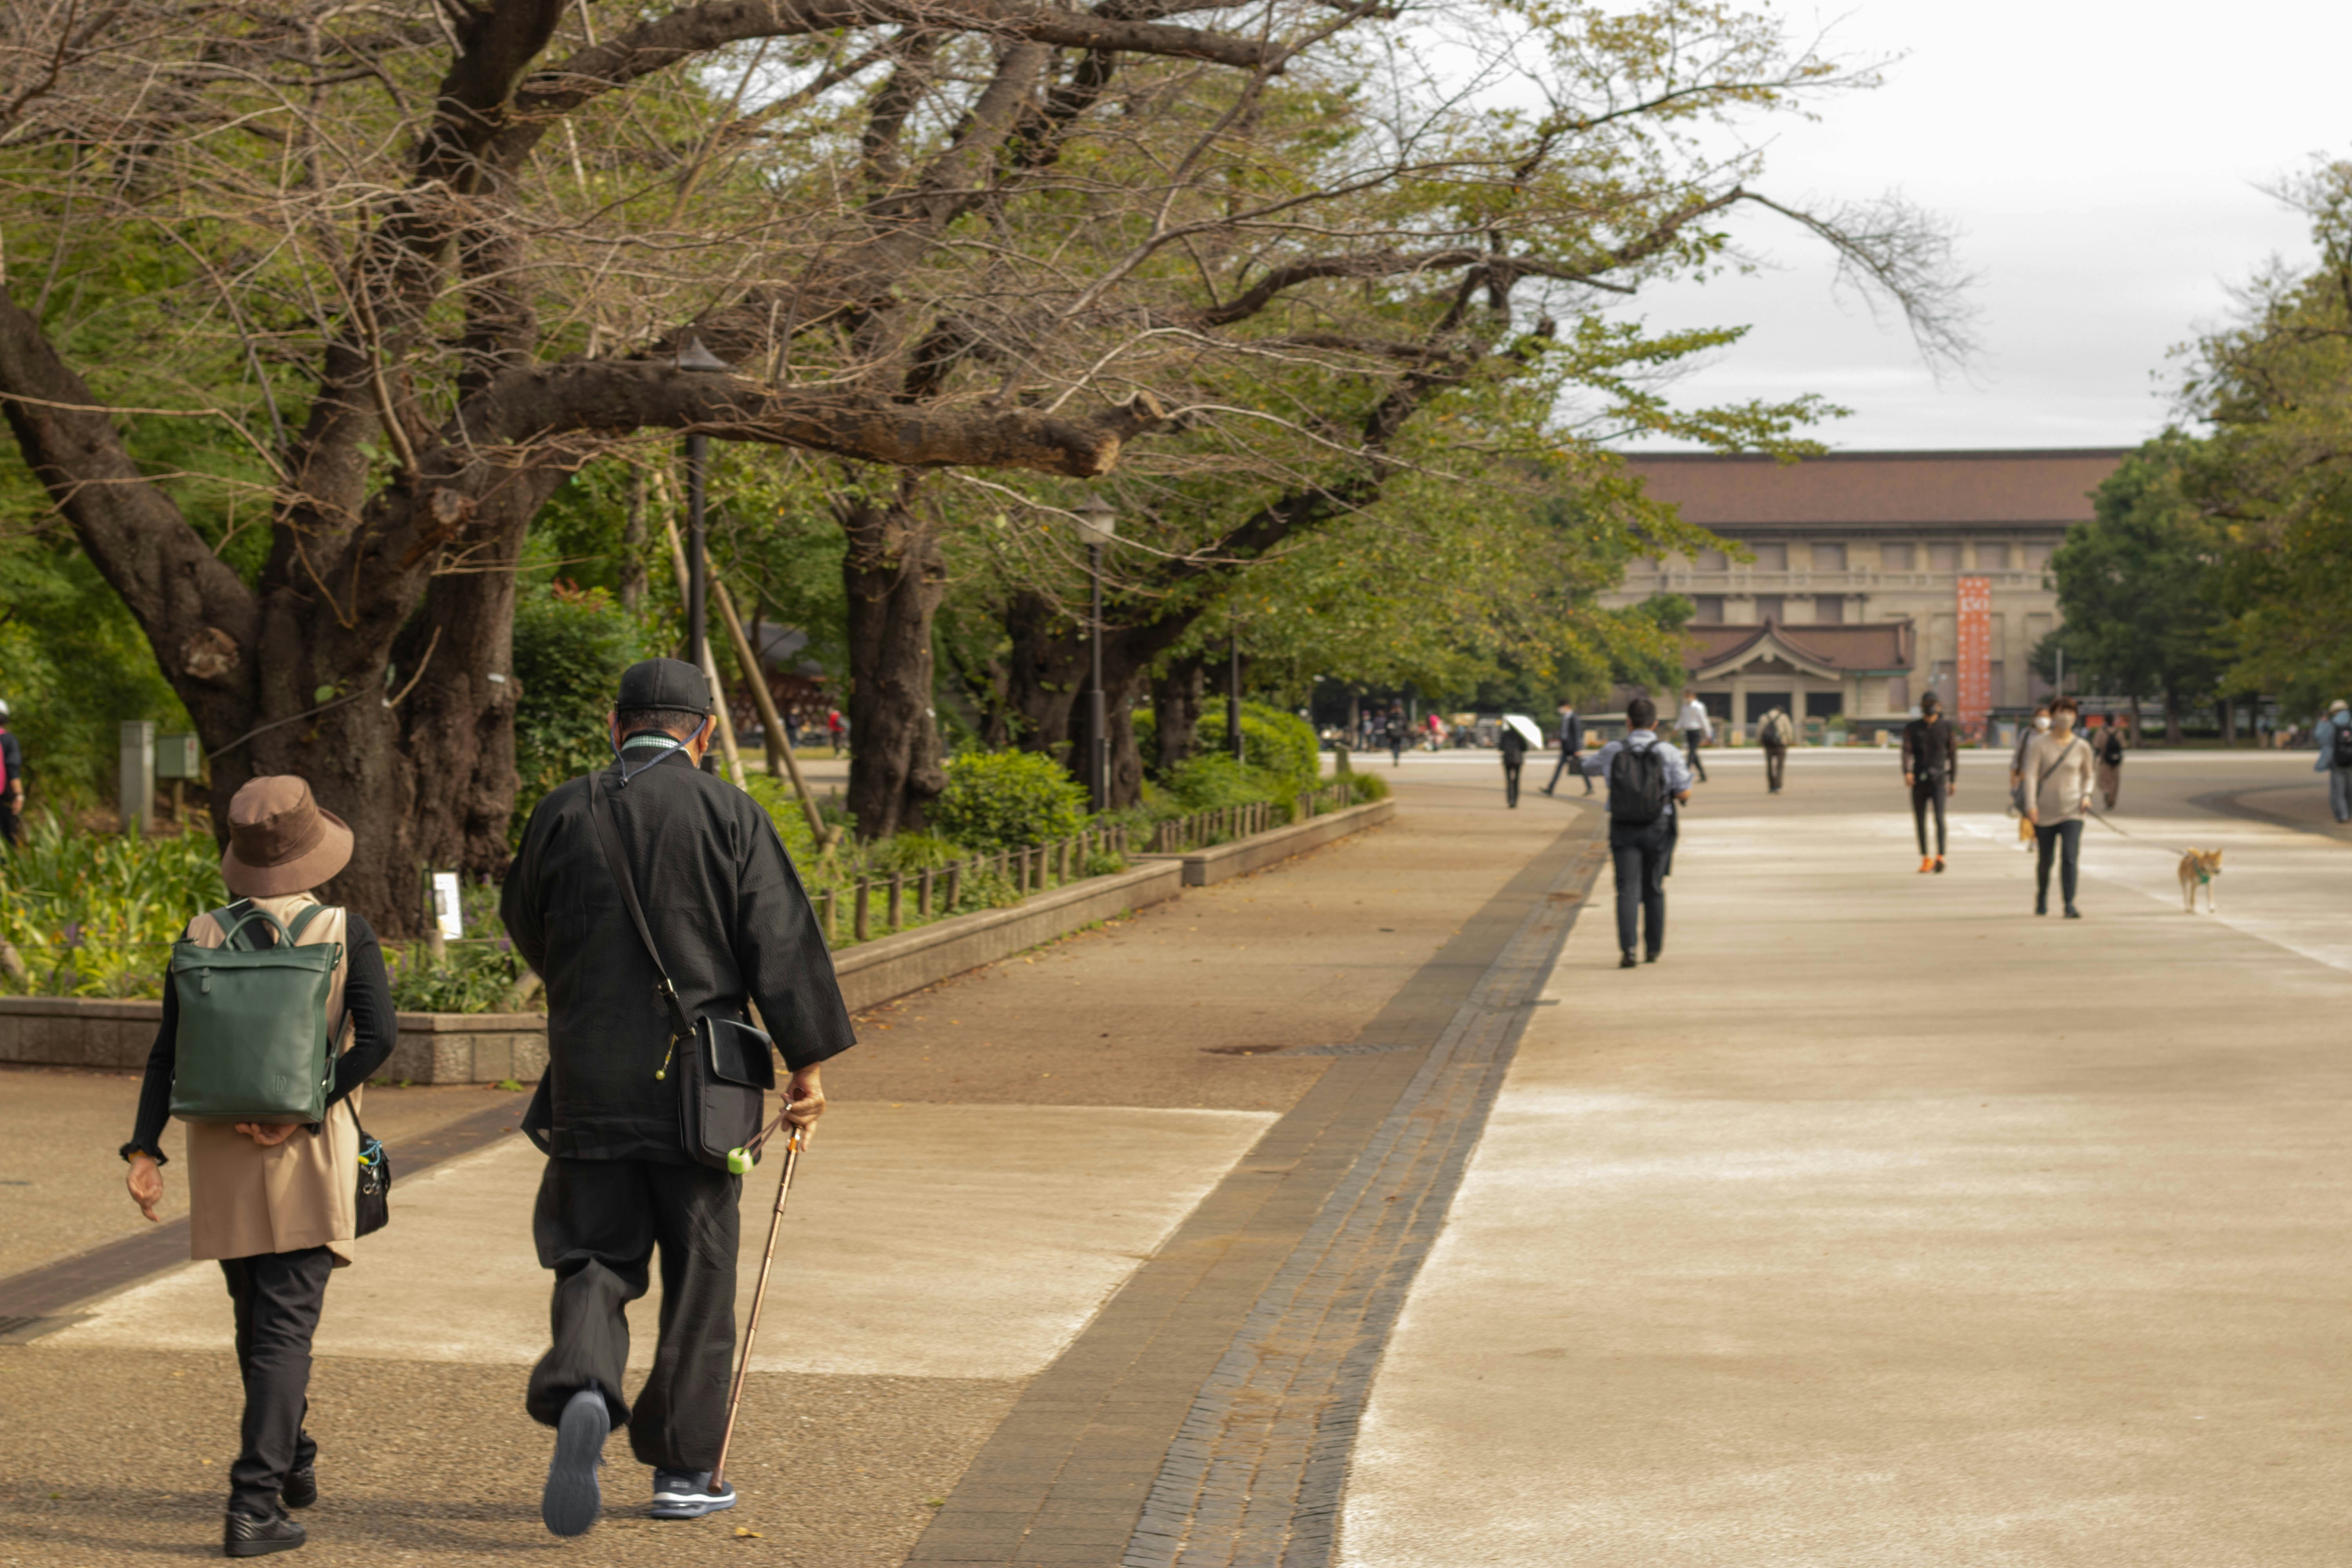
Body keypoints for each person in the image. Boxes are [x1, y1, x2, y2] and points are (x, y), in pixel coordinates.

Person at [502, 659, 856, 1536]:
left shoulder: (561, 809)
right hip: (709, 1085)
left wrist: (588, 992)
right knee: (702, 1278)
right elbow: (777, 937)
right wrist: (805, 1063)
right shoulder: (729, 811)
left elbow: (524, 921)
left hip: (589, 1076)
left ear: (617, 726)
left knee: (592, 1254)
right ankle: (685, 1469)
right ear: (702, 733)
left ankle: (585, 1382)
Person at [120, 776, 397, 1559]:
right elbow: (377, 1038)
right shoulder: (344, 928)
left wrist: (146, 1150)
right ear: (314, 847)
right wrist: (306, 1106)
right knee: (285, 1330)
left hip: (221, 1148)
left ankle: (293, 1456)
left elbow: (167, 1053)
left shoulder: (202, 932)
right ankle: (252, 1505)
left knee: (259, 1322)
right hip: (307, 1148)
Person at [1581, 696, 1692, 968]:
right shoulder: (1668, 751)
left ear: (1628, 722)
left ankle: (1628, 950)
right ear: (1655, 724)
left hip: (1622, 827)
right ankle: (1653, 949)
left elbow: (1587, 767)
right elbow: (1684, 791)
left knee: (1626, 888)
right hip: (1658, 826)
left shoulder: (1613, 750)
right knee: (1654, 887)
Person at [2019, 695, 2096, 917]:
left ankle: (2069, 904)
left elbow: (2089, 776)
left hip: (2073, 810)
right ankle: (2042, 896)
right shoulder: (2039, 745)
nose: (2066, 716)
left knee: (2070, 858)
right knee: (2046, 860)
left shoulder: (2082, 747)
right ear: (2053, 715)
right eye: (2061, 711)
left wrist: (2087, 795)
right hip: (2044, 811)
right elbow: (2031, 776)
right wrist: (2031, 805)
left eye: (2070, 712)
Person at [1902, 693, 1957, 873]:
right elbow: (1906, 751)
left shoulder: (1946, 727)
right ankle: (1925, 858)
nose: (1930, 708)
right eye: (1927, 705)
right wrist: (1907, 772)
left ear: (1939, 707)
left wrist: (1953, 779)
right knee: (1920, 820)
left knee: (1940, 818)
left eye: (1933, 705)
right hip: (1919, 779)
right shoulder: (1913, 728)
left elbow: (1953, 754)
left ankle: (1941, 856)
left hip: (1939, 779)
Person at [2316, 699, 2352, 823]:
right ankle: (2349, 813)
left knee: (2338, 791)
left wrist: (2322, 722)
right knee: (2350, 789)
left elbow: (2320, 738)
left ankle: (2343, 815)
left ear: (2335, 711)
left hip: (2337, 761)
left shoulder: (2332, 724)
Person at [1542, 702, 1590, 795]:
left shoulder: (1574, 717)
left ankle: (1590, 787)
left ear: (1567, 706)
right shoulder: (1565, 718)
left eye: (1561, 707)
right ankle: (1551, 788)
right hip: (1566, 748)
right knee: (1559, 768)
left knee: (1581, 767)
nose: (1560, 710)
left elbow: (1577, 734)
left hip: (1573, 748)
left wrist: (1578, 749)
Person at [1675, 690, 1711, 782]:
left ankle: (1685, 774)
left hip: (1696, 731)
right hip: (1688, 732)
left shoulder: (1699, 707)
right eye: (1686, 697)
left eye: (1689, 696)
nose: (1687, 698)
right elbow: (1682, 719)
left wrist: (1709, 733)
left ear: (1693, 696)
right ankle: (1703, 775)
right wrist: (1676, 728)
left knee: (1691, 753)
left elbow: (1704, 720)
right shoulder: (1685, 707)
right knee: (1694, 754)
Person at [0, 699, 22, 847]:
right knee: (6, 839)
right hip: (4, 797)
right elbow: (13, 770)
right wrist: (19, 795)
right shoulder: (9, 740)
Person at [2094, 715, 2127, 810]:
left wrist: (2096, 758)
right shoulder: (2119, 732)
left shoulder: (2101, 732)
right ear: (2114, 721)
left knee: (2104, 780)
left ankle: (2106, 792)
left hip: (2105, 760)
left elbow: (2097, 746)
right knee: (2115, 781)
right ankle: (2111, 802)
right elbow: (2123, 746)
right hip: (2116, 761)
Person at [1758, 706, 1793, 793]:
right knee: (1779, 767)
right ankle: (1778, 786)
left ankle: (1771, 786)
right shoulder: (1784, 717)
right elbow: (1789, 730)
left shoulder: (1764, 717)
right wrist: (1790, 741)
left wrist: (1759, 742)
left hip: (1768, 744)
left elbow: (1760, 731)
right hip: (1781, 744)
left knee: (1770, 766)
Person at [1498, 719, 1529, 807]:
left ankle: (1510, 800)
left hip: (1507, 759)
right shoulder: (1520, 735)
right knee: (1517, 780)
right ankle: (1515, 801)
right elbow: (1525, 748)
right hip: (1517, 759)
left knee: (1508, 780)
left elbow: (1500, 747)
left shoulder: (1505, 734)